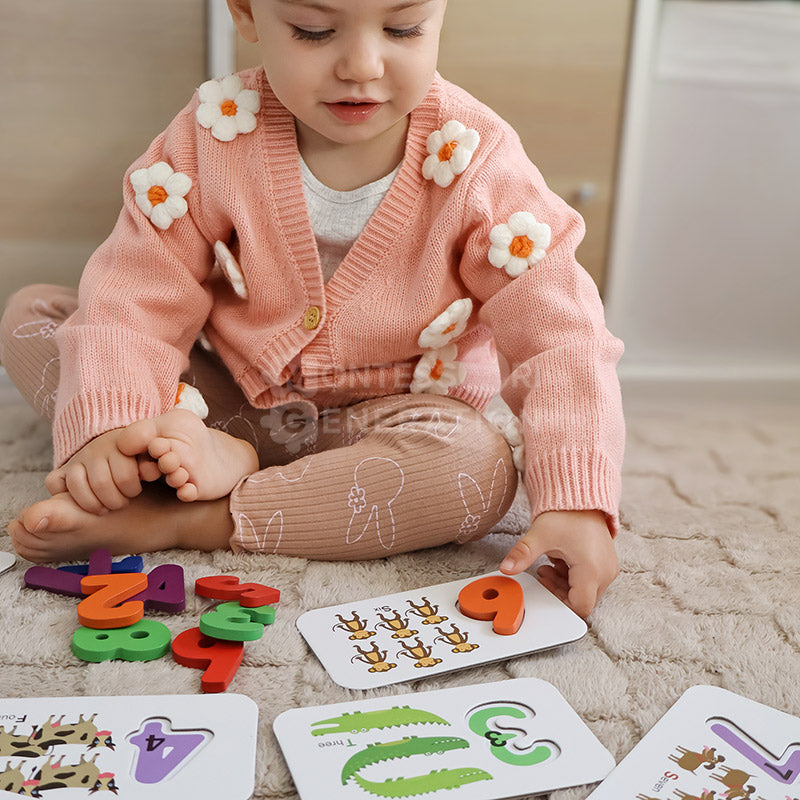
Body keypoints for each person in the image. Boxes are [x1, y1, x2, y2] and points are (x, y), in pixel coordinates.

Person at [0, 0, 624, 617]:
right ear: (247, 14)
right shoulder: (215, 132)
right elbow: (138, 290)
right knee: (36, 312)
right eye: (313, 30)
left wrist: (576, 501)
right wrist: (112, 428)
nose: (361, 65)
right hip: (236, 394)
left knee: (478, 466)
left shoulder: (477, 158)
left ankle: (197, 515)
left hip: (393, 418)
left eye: (403, 28)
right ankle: (210, 449)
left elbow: (561, 333)